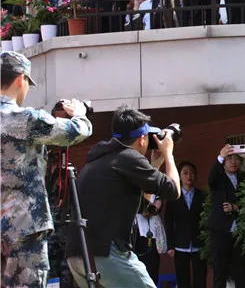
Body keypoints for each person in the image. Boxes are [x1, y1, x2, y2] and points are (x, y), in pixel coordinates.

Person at [1, 51, 92, 288]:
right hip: (24, 226)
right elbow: (76, 131)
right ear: (21, 79)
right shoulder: (24, 119)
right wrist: (80, 113)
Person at [65, 106, 180, 288]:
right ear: (142, 139)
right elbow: (173, 190)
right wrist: (168, 154)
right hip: (105, 253)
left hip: (78, 255)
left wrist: (154, 166)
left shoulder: (99, 159)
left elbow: (141, 207)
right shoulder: (128, 157)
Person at [207, 145, 245, 288]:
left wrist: (236, 207)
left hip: (240, 232)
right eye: (229, 158)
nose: (233, 162)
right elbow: (212, 177)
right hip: (220, 231)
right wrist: (220, 156)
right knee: (220, 271)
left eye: (236, 159)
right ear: (224, 162)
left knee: (242, 271)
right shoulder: (218, 178)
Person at [165, 161, 207, 288]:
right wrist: (170, 245)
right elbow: (168, 221)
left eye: (192, 173)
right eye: (185, 173)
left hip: (199, 243)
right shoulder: (173, 197)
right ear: (179, 176)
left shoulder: (203, 196)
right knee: (182, 279)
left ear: (196, 176)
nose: (189, 176)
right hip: (180, 244)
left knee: (200, 278)